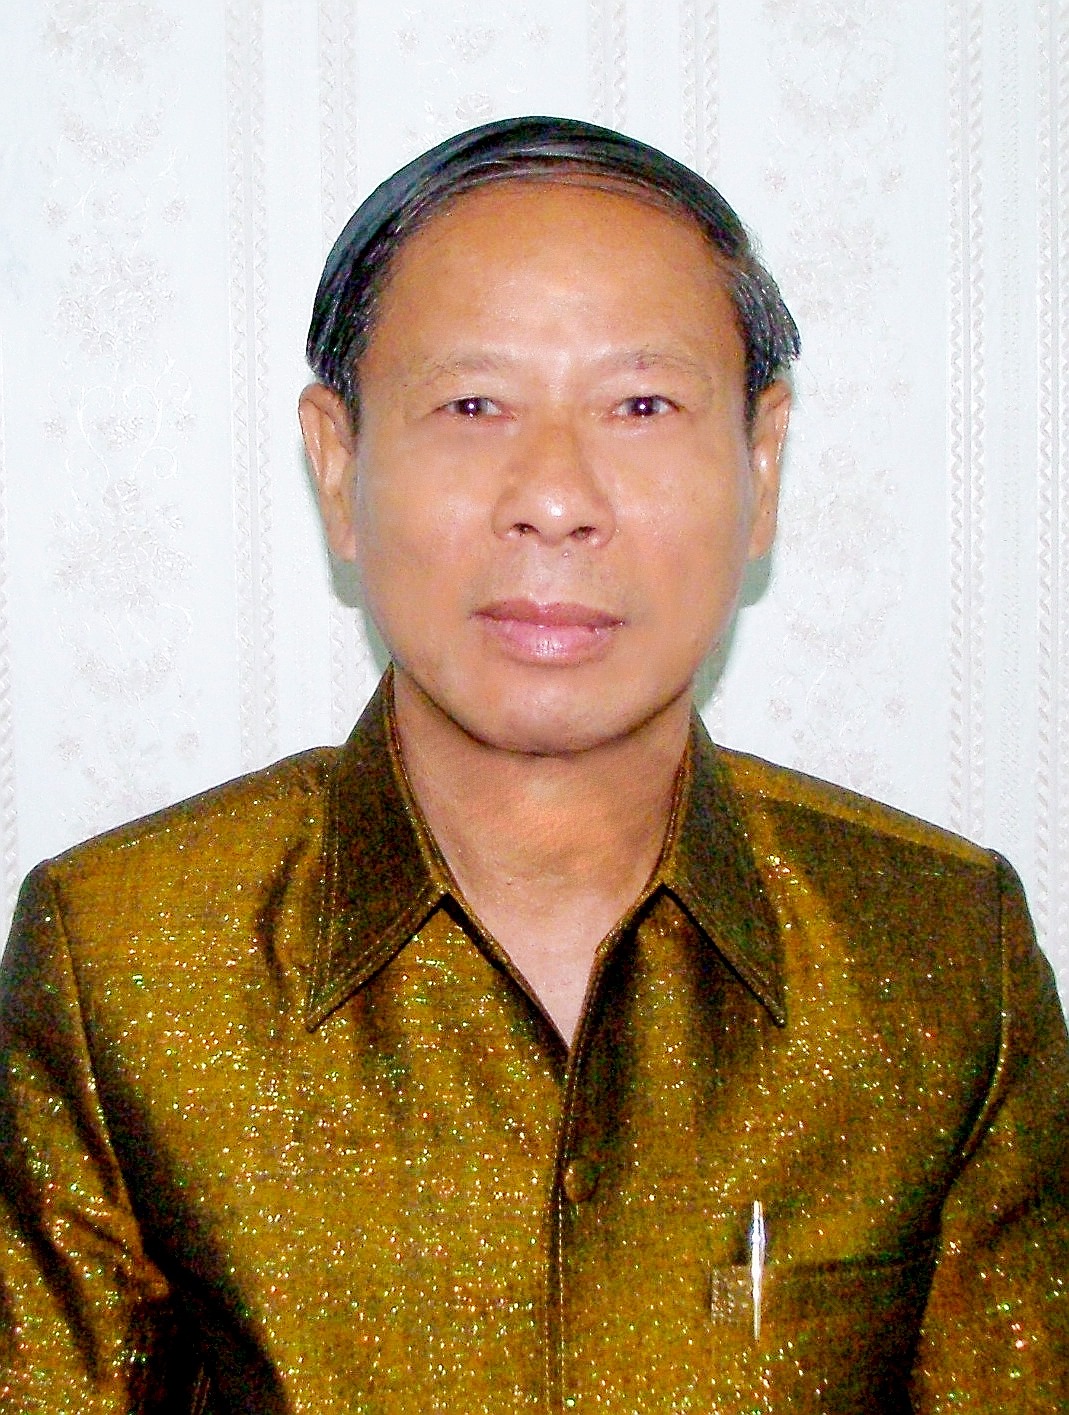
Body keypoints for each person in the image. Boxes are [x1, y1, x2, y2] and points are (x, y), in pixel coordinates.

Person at [0, 116, 1065, 1414]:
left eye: (640, 406)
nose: (554, 498)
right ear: (338, 466)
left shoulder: (938, 956)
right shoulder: (121, 955)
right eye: (472, 405)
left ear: (760, 462)